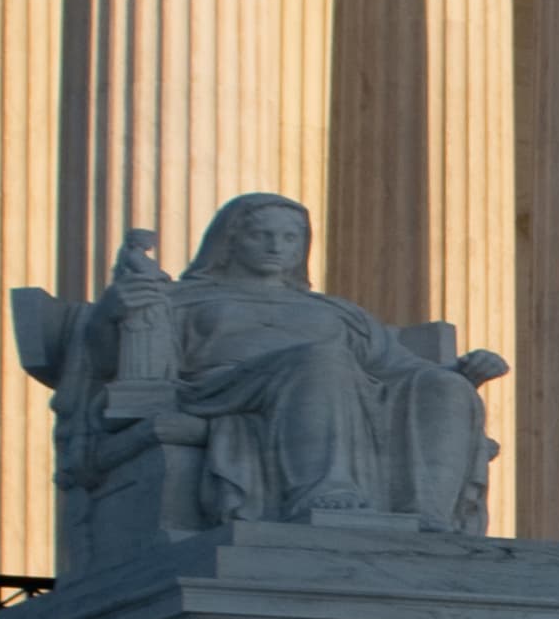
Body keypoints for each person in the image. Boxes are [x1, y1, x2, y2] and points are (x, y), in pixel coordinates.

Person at [103, 192, 506, 532]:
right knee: (322, 360)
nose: (276, 247)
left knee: (443, 387)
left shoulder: (337, 311)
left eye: (289, 237)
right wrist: (114, 312)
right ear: (230, 242)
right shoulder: (182, 299)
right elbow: (104, 354)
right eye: (261, 235)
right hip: (224, 389)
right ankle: (324, 491)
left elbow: (398, 366)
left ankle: (426, 516)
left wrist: (461, 373)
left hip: (339, 388)